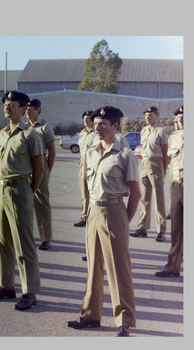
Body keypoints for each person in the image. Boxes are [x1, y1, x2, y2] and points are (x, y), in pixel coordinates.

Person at [66, 106, 141, 337]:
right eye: (95, 123)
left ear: (115, 127)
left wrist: (124, 221)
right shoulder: (91, 152)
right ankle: (91, 316)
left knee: (119, 269)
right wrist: (88, 212)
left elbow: (135, 193)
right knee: (93, 267)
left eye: (102, 124)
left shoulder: (125, 155)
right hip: (94, 213)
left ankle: (124, 321)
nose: (97, 128)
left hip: (114, 211)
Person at [0, 91, 44, 311]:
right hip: (1, 188)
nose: (7, 107)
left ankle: (29, 292)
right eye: (5, 104)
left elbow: (39, 166)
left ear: (23, 109)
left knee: (23, 242)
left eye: (12, 104)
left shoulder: (30, 135)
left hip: (20, 188)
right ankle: (6, 286)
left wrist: (30, 191)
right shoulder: (1, 134)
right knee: (2, 240)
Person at [131, 106, 169, 241]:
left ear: (157, 116)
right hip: (144, 164)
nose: (147, 117)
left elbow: (166, 153)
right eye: (146, 115)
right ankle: (142, 228)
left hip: (156, 163)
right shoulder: (144, 131)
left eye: (150, 115)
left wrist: (164, 169)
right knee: (145, 199)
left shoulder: (161, 132)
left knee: (159, 198)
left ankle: (161, 230)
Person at [156, 106, 183, 277]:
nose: (181, 120)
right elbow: (172, 161)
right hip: (177, 186)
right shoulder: (173, 137)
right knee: (176, 229)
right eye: (179, 117)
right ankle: (172, 267)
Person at [26, 98, 56, 250]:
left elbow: (51, 152)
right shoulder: (23, 127)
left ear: (38, 110)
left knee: (41, 201)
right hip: (25, 165)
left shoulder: (44, 127)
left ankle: (46, 238)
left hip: (40, 165)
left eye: (31, 109)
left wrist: (47, 171)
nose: (28, 112)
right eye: (26, 109)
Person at [74, 110, 95, 228]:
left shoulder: (96, 133)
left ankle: (92, 217)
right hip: (83, 164)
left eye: (88, 119)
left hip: (92, 164)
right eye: (84, 119)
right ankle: (84, 217)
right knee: (84, 194)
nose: (86, 121)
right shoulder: (82, 133)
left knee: (93, 193)